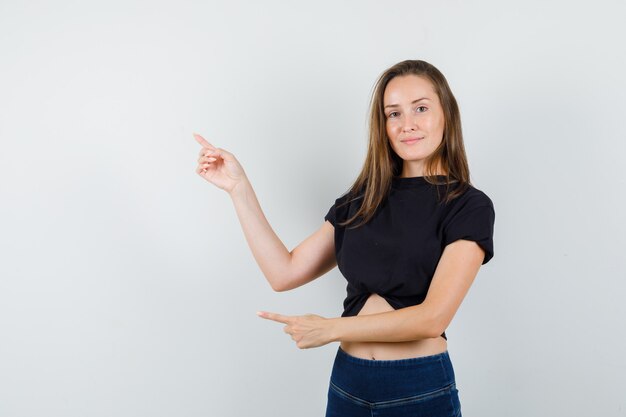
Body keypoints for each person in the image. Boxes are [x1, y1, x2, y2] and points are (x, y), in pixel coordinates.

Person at [194, 59, 495, 417]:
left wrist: (330, 329)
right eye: (393, 114)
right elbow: (284, 273)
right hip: (348, 384)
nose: (407, 124)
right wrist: (238, 189)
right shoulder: (364, 197)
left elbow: (432, 318)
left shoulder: (468, 206)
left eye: (421, 108)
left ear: (446, 114)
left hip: (417, 387)